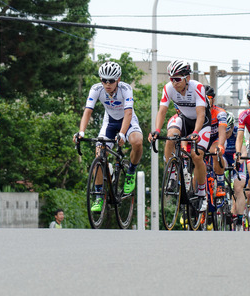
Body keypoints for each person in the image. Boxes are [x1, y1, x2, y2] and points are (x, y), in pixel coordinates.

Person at [76, 62, 143, 212]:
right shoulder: (96, 89)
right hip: (110, 122)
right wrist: (81, 132)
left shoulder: (126, 89)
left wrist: (122, 133)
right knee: (99, 153)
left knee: (137, 142)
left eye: (111, 81)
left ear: (118, 79)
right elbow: (88, 111)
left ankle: (131, 172)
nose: (107, 84)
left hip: (128, 121)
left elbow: (128, 113)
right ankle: (99, 196)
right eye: (104, 80)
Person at [149, 59, 211, 212]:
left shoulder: (197, 87)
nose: (174, 83)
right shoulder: (168, 88)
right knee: (171, 136)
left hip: (201, 123)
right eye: (171, 79)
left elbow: (201, 114)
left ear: (186, 78)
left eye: (177, 79)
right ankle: (171, 174)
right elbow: (162, 111)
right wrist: (156, 130)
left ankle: (202, 193)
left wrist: (196, 132)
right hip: (183, 119)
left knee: (196, 156)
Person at [204, 85, 228, 199]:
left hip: (216, 138)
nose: (205, 100)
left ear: (213, 99)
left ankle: (220, 181)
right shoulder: (196, 112)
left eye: (208, 98)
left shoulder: (220, 112)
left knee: (215, 152)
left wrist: (221, 145)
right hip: (203, 140)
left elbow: (222, 131)